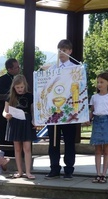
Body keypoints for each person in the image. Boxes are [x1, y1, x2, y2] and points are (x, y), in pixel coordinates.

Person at [46, 39, 77, 180]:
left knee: (69, 141)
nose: (62, 53)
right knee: (53, 141)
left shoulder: (76, 69)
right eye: (60, 50)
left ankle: (69, 169)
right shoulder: (52, 69)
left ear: (70, 51)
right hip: (54, 111)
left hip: (69, 110)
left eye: (65, 50)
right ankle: (54, 168)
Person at [3, 74, 36, 179]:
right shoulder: (10, 96)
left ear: (25, 85)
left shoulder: (30, 96)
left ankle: (28, 172)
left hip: (26, 122)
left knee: (27, 148)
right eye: (18, 87)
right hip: (14, 123)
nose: (20, 89)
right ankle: (20, 171)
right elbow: (5, 111)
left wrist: (35, 121)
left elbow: (32, 111)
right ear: (14, 87)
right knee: (17, 148)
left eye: (21, 87)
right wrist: (6, 115)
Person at [88, 72, 108, 183]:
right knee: (97, 150)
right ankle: (98, 173)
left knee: (106, 150)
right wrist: (88, 119)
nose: (99, 84)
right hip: (97, 121)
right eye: (98, 82)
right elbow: (92, 111)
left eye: (102, 82)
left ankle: (104, 174)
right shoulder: (94, 97)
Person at [0, 58, 20, 144]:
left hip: (18, 107)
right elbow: (0, 92)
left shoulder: (20, 78)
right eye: (17, 67)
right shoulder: (3, 79)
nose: (19, 69)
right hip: (6, 108)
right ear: (9, 69)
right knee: (4, 131)